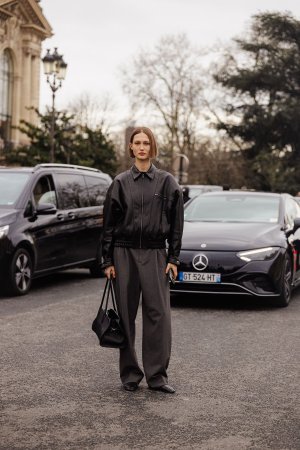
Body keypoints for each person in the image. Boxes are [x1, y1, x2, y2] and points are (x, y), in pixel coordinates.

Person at [101, 126, 184, 394]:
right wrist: (107, 260)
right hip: (123, 254)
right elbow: (109, 225)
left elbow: (176, 225)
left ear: (152, 147)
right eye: (137, 143)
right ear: (131, 147)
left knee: (158, 315)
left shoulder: (167, 182)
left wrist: (173, 257)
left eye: (146, 143)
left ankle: (157, 377)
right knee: (125, 315)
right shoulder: (120, 182)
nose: (141, 147)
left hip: (156, 253)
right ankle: (130, 375)